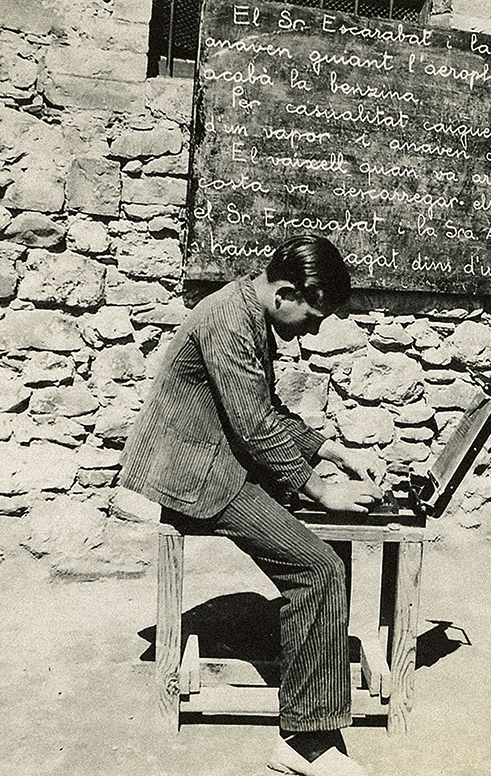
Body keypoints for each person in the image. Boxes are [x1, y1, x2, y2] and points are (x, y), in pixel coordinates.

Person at [119, 234, 383, 776]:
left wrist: (332, 450)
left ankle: (316, 674)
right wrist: (320, 488)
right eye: (313, 315)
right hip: (197, 475)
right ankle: (304, 744)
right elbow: (256, 428)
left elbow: (266, 411)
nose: (313, 329)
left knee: (330, 539)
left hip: (217, 459)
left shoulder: (247, 310)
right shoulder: (228, 320)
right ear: (285, 292)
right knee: (320, 569)